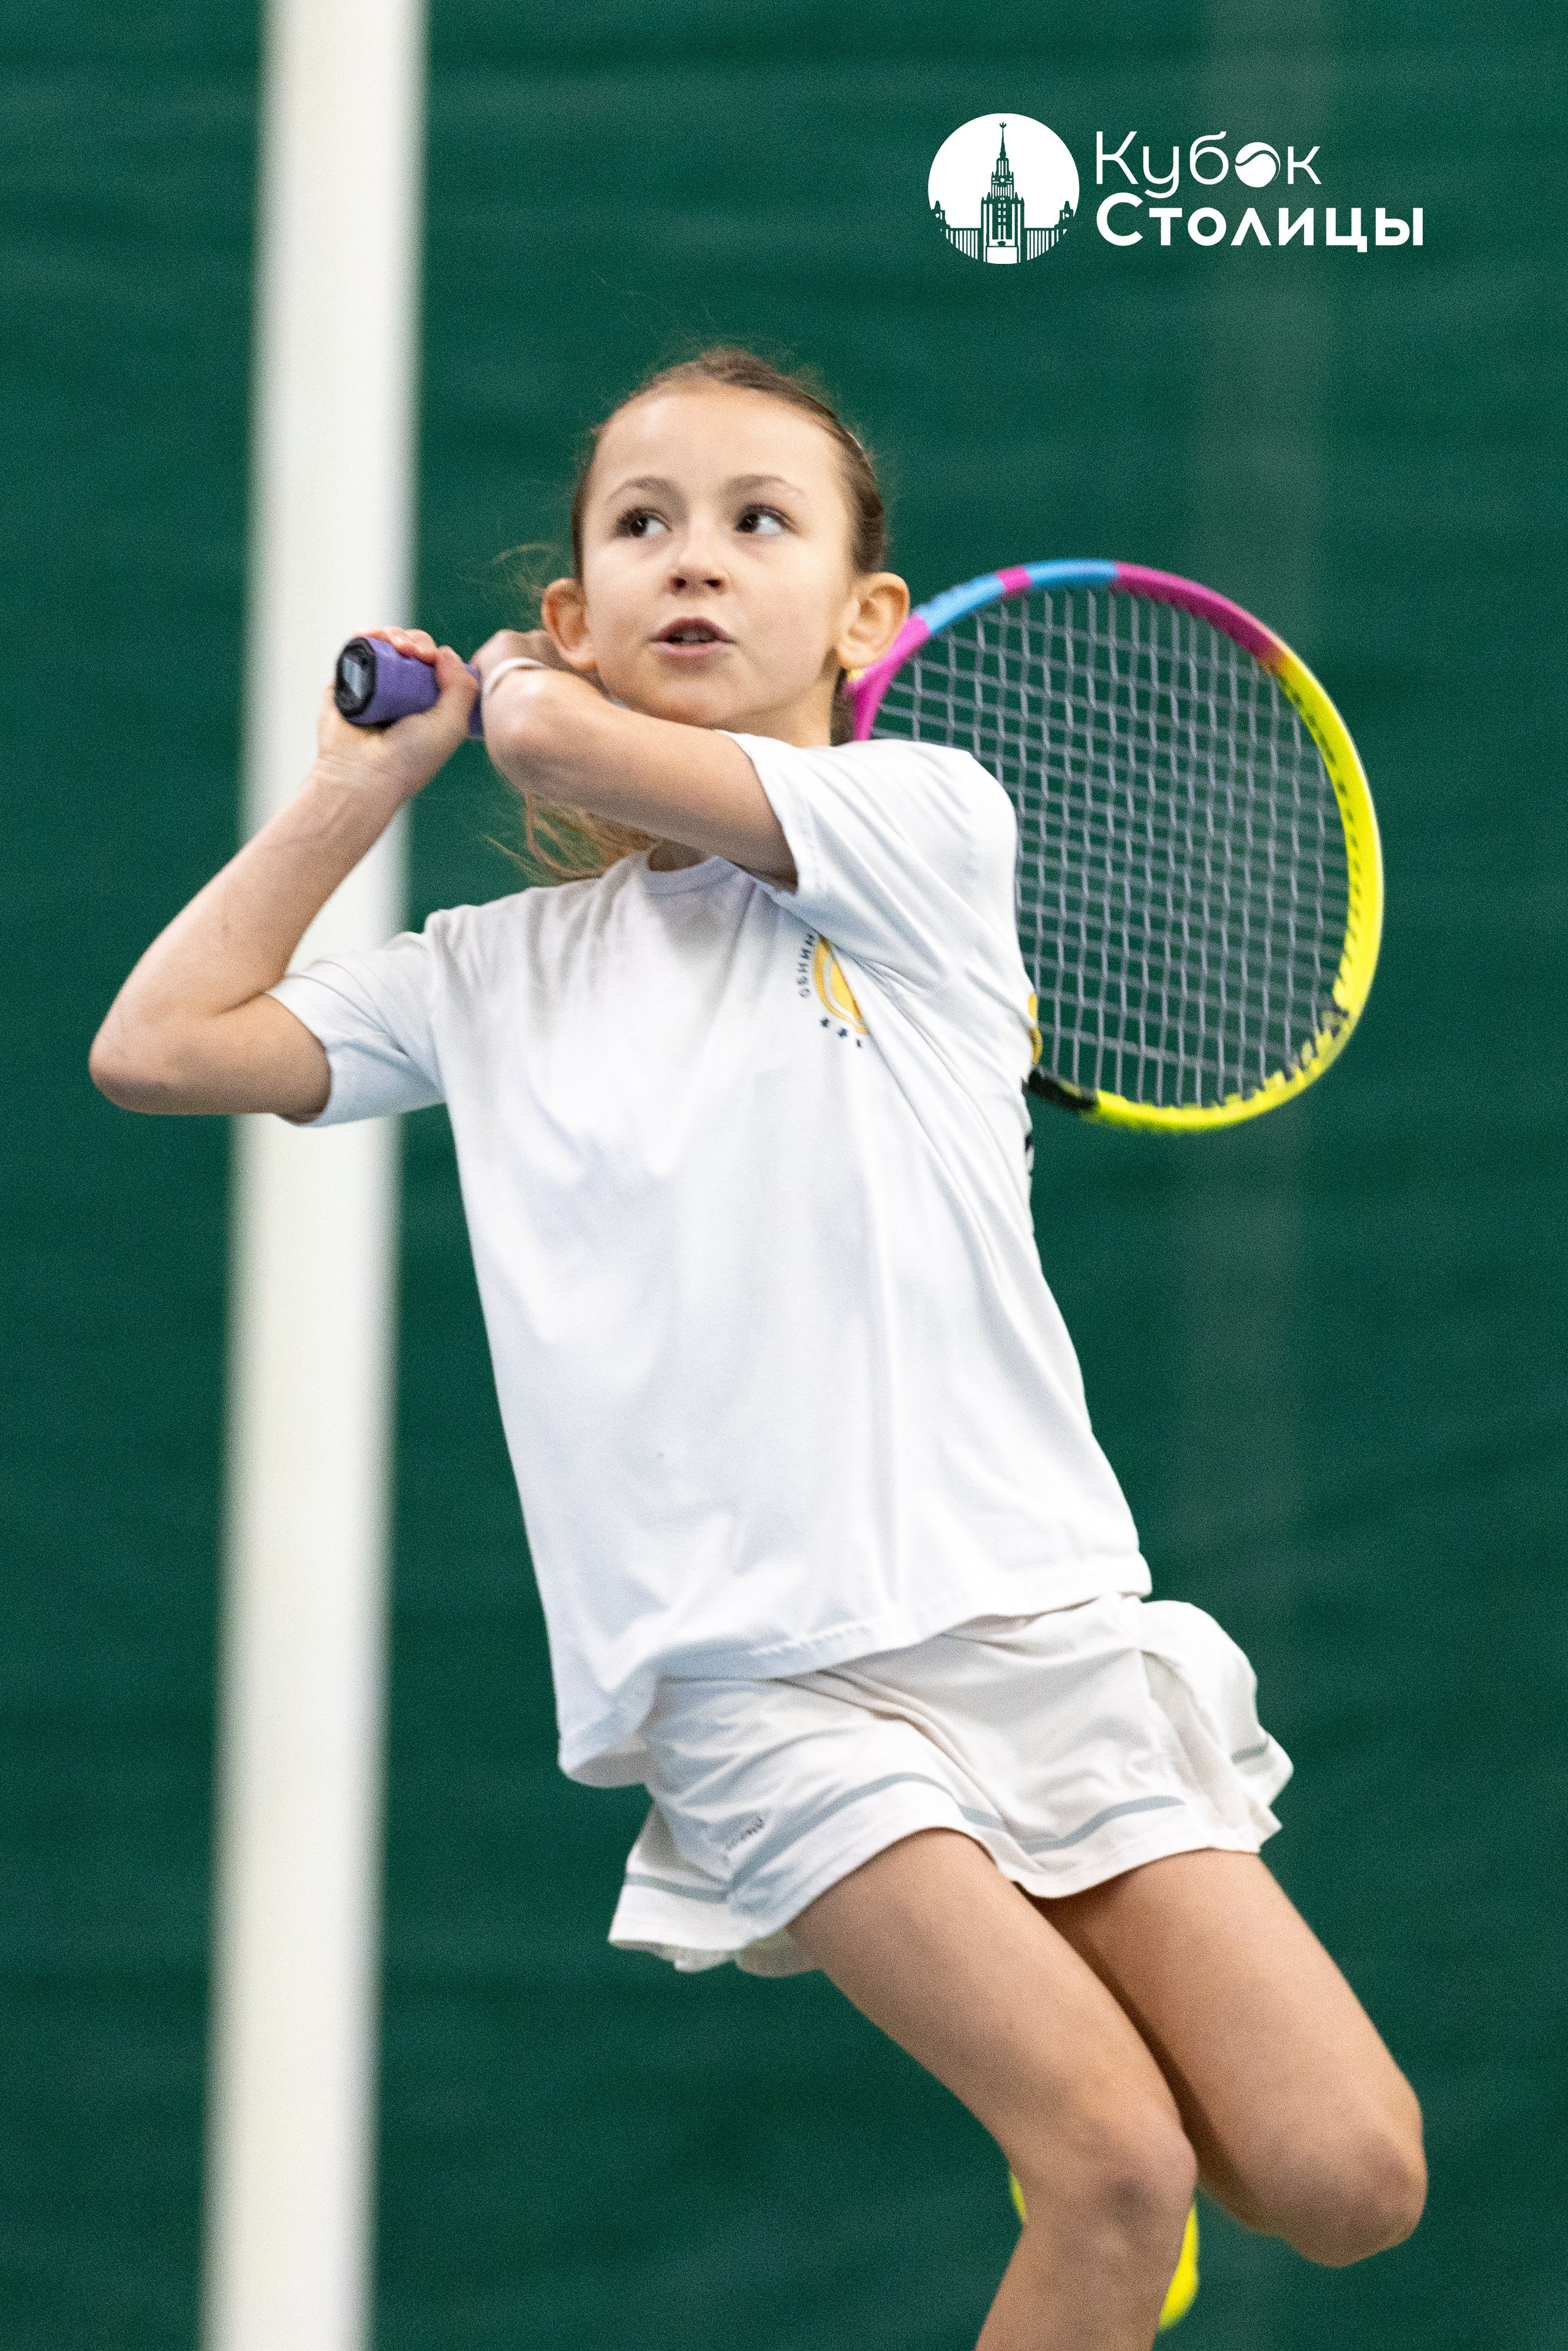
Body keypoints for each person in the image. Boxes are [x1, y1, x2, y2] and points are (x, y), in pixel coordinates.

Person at [91, 347, 1425, 2349]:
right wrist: (360, 780)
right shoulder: (494, 975)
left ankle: (1092, 2066)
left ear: (866, 623)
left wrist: (515, 710)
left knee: (1349, 2180)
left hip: (1041, 1626)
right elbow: (160, 1047)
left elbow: (559, 760)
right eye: (641, 528)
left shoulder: (925, 829)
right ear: (575, 604)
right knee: (1112, 2165)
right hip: (748, 1679)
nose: (692, 563)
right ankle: (1080, 2139)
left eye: (754, 523)